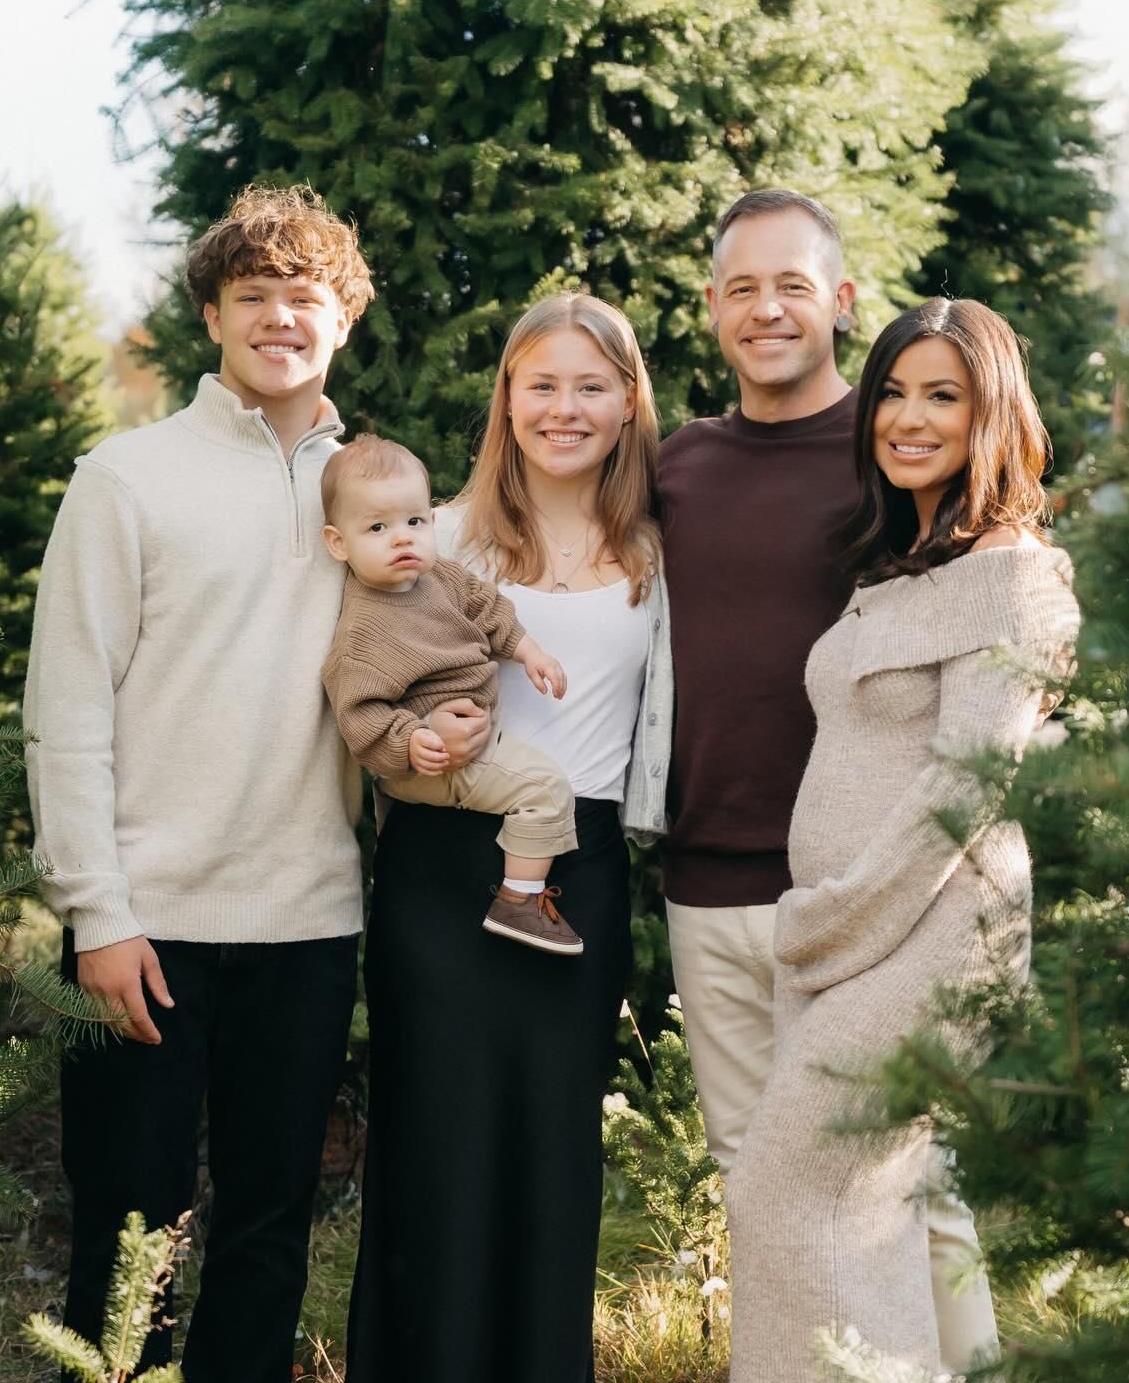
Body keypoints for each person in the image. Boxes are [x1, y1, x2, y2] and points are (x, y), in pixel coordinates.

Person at [24, 185, 485, 1381]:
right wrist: (98, 914)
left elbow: (429, 648)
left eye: (306, 298)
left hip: (309, 920)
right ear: (215, 317)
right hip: (149, 925)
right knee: (131, 1240)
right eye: (254, 298)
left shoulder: (376, 495)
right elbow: (66, 708)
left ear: (342, 319)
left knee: (271, 1233)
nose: (281, 318)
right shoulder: (125, 479)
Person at [659, 188, 1001, 1368]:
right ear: (712, 308)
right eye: (742, 287)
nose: (767, 309)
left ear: (842, 302)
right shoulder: (677, 468)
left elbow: (991, 602)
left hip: (871, 901)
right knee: (755, 1180)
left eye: (793, 284)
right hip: (711, 884)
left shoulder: (893, 452)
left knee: (904, 1185)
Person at [725, 298, 1082, 1379]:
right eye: (892, 392)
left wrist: (834, 918)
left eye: (944, 395)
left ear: (994, 414)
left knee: (794, 1188)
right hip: (851, 934)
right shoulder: (903, 563)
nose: (909, 418)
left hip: (927, 931)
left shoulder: (1017, 577)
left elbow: (963, 787)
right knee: (868, 1212)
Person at [344, 291, 672, 1383]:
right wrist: (412, 736)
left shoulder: (663, 553)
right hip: (439, 870)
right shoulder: (435, 537)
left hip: (574, 877)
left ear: (628, 403)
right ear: (508, 399)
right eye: (542, 385)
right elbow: (354, 689)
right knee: (435, 1153)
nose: (564, 408)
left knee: (548, 1162)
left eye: (591, 386)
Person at [319, 434, 584, 953]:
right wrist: (414, 741)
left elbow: (491, 613)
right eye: (377, 528)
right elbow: (359, 715)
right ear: (338, 543)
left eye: (414, 522)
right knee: (545, 790)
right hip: (436, 759)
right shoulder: (363, 632)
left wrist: (531, 653)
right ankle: (520, 901)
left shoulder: (441, 577)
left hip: (458, 748)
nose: (402, 539)